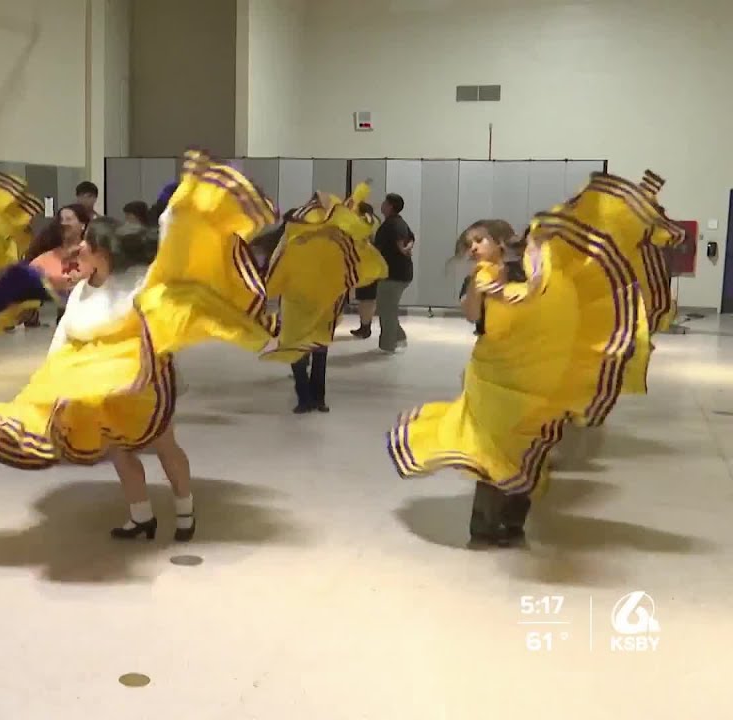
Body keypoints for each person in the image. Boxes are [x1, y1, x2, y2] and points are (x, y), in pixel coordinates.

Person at [0, 151, 280, 542]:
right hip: (99, 388)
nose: (77, 250)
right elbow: (65, 336)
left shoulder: (141, 284)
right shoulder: (81, 291)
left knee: (164, 446)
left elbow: (172, 268)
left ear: (104, 254)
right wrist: (46, 384)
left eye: (85, 246)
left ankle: (185, 512)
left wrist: (180, 211)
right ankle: (141, 516)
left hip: (144, 386)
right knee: (120, 453)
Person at [387, 171, 682, 548]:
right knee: (491, 446)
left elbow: (549, 296)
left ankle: (512, 523)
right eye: (469, 244)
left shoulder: (533, 269)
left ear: (498, 241)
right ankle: (483, 528)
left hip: (532, 371)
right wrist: (480, 288)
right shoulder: (480, 278)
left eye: (479, 240)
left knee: (527, 446)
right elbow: (472, 317)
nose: (474, 247)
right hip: (492, 370)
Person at [263, 194, 386, 414]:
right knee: (302, 350)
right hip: (298, 303)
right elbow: (276, 271)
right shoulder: (292, 242)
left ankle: (315, 398)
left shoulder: (330, 238)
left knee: (316, 350)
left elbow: (358, 242)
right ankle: (306, 397)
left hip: (320, 304)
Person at [360, 193, 414, 351]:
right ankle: (399, 337)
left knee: (386, 310)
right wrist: (406, 248)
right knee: (386, 308)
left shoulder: (392, 224)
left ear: (390, 206)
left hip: (394, 274)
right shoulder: (399, 222)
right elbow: (411, 238)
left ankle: (388, 345)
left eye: (384, 202)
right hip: (399, 273)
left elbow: (399, 242)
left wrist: (402, 249)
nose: (382, 205)